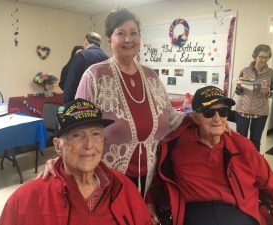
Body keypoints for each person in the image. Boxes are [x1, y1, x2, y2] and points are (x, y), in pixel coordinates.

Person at [41, 8, 184, 198]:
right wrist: (60, 161)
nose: (128, 39)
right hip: (107, 182)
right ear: (109, 39)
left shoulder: (151, 77)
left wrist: (206, 119)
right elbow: (74, 126)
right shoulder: (95, 75)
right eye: (121, 33)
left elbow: (172, 119)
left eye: (134, 33)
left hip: (149, 180)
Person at [146, 86, 273, 225]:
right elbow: (157, 180)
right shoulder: (176, 144)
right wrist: (150, 202)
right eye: (209, 112)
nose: (217, 119)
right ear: (195, 117)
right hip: (194, 213)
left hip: (238, 212)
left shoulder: (242, 146)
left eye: (223, 111)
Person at [0, 98, 153, 225]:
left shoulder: (122, 186)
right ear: (58, 146)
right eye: (77, 135)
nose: (89, 145)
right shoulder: (25, 199)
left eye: (95, 134)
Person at [235, 44, 273, 151]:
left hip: (260, 112)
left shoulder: (270, 73)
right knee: (240, 140)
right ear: (255, 56)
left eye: (266, 57)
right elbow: (238, 92)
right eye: (261, 57)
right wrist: (238, 86)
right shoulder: (245, 70)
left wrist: (268, 93)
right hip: (242, 110)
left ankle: (253, 165)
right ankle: (239, 164)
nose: (263, 60)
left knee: (255, 141)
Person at [63, 32, 108, 103]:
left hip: (83, 105)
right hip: (101, 104)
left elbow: (71, 84)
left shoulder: (81, 56)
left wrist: (67, 104)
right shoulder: (107, 58)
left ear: (86, 42)